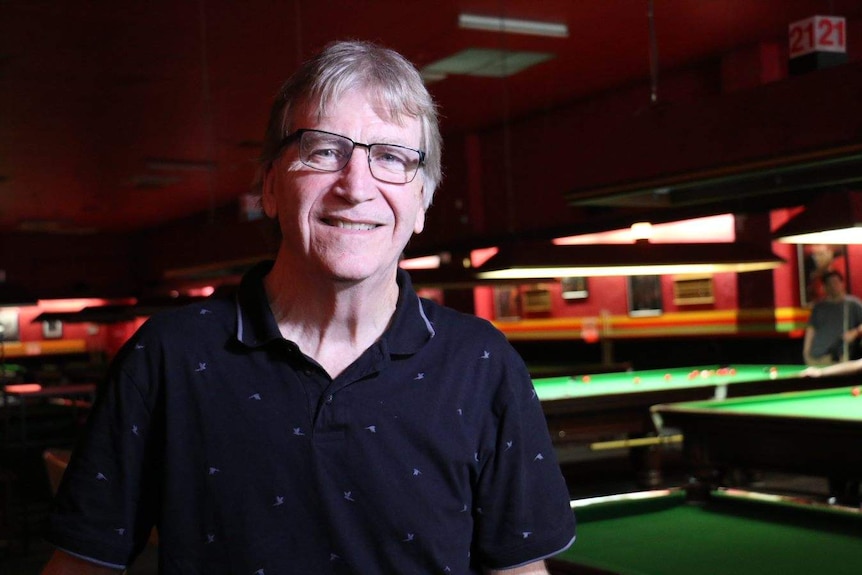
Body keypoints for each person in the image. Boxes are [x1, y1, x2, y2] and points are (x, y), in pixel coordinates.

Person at [41, 40, 576, 574]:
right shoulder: (166, 356)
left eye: (390, 157)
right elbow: (81, 566)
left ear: (422, 204)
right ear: (270, 187)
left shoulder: (482, 362)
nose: (356, 186)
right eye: (323, 150)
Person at [802, 270, 862, 366]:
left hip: (839, 359)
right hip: (815, 358)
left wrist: (855, 332)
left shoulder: (852, 304)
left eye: (835, 282)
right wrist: (806, 354)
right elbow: (811, 331)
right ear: (825, 287)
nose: (833, 286)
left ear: (842, 284)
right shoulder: (819, 307)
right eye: (829, 283)